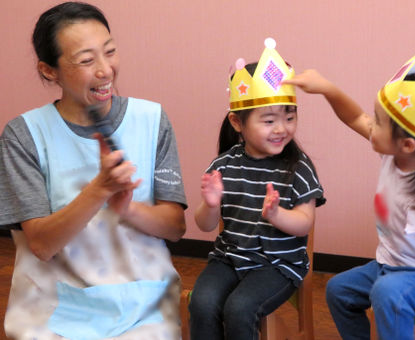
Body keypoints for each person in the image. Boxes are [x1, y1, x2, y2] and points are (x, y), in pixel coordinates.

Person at [0, 2, 187, 339]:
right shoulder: (23, 134)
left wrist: (127, 207)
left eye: (110, 52)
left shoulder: (152, 120)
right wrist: (99, 189)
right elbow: (41, 245)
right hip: (52, 307)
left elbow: (175, 227)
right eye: (86, 60)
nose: (105, 70)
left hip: (141, 306)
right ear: (49, 71)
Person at [285, 48, 415, 340]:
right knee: (338, 290)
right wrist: (326, 88)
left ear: (408, 145)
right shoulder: (394, 153)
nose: (371, 125)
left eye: (379, 122)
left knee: (388, 294)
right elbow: (353, 116)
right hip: (392, 264)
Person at [188, 38, 326, 340]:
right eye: (269, 120)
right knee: (201, 301)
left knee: (240, 308)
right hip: (230, 257)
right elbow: (205, 225)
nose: (281, 128)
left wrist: (277, 215)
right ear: (238, 122)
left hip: (278, 265)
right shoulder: (224, 164)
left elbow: (305, 222)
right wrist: (211, 204)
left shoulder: (298, 167)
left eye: (289, 118)